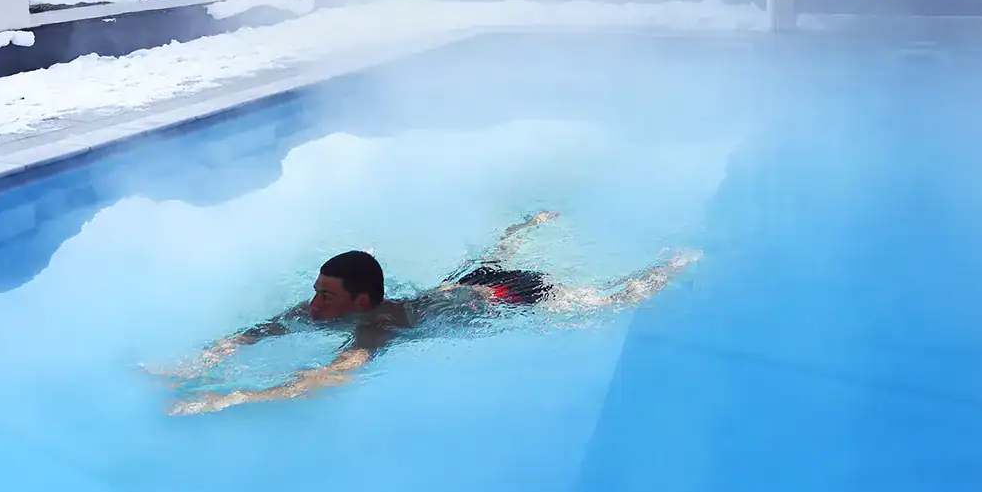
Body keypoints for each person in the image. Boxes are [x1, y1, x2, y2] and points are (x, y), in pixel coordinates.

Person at [161, 213, 699, 415]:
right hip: (456, 288)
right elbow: (263, 329)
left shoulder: (377, 325)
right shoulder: (330, 307)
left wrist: (231, 397)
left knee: (611, 299)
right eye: (317, 291)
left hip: (505, 298)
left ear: (362, 303)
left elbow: (327, 378)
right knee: (486, 258)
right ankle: (526, 226)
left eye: (326, 296)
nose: (312, 304)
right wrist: (206, 358)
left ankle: (670, 266)